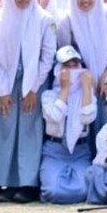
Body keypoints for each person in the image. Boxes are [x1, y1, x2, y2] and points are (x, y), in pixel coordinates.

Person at [0, 0, 56, 203]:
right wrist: (2, 91)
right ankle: (5, 182)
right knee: (5, 130)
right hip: (6, 84)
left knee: (29, 132)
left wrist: (34, 88)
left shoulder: (44, 18)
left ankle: (27, 184)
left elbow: (47, 56)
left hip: (33, 84)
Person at [39, 46, 96, 204]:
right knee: (53, 192)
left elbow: (87, 118)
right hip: (54, 151)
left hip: (80, 152)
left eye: (74, 66)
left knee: (84, 191)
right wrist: (65, 89)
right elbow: (55, 116)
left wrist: (86, 88)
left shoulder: (87, 94)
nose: (71, 71)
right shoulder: (49, 95)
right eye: (66, 66)